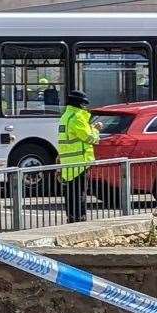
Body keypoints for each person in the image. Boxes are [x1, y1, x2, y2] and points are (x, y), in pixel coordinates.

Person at [58, 90, 99, 224]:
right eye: (84, 104)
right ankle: (80, 220)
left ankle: (72, 218)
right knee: (80, 194)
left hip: (68, 163)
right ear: (79, 104)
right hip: (80, 162)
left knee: (70, 194)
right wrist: (96, 129)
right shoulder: (77, 117)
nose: (85, 107)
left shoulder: (65, 116)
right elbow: (90, 138)